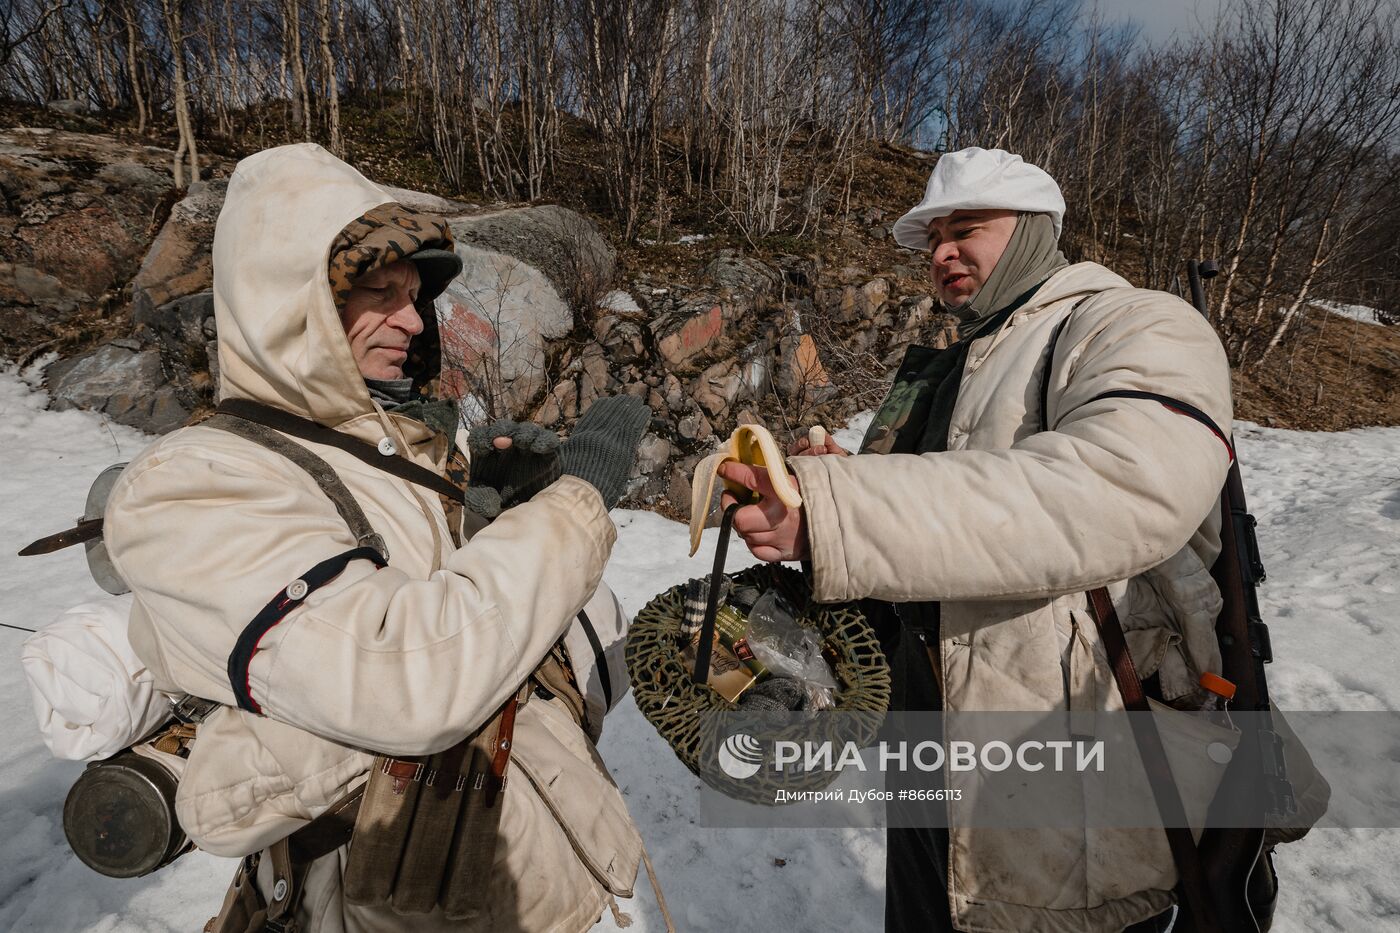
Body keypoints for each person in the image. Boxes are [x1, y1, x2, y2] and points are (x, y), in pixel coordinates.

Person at [103, 143, 649, 932]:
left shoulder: (400, 448)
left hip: (492, 889)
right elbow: (410, 682)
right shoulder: (196, 483)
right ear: (290, 301)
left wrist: (497, 519)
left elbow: (511, 644)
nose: (412, 318)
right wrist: (571, 506)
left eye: (415, 293)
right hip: (348, 903)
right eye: (378, 290)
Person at [719, 147, 1235, 932]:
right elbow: (949, 527)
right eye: (932, 238)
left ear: (1032, 227)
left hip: (1070, 772)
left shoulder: (1133, 322)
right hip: (936, 734)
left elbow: (1123, 486)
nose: (942, 252)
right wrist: (843, 491)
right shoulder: (965, 359)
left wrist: (841, 511)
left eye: (967, 227)